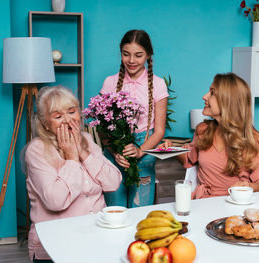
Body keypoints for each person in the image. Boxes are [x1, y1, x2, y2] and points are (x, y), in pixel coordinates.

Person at [24, 86, 122, 262]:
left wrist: (83, 152)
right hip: (56, 246)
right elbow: (55, 201)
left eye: (71, 112)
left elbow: (113, 182)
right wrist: (71, 157)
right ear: (45, 123)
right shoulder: (36, 150)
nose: (68, 121)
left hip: (96, 240)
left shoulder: (87, 140)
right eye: (58, 116)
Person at [161, 73, 259, 199]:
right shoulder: (203, 130)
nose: (204, 97)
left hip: (234, 203)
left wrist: (248, 187)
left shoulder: (252, 139)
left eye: (212, 93)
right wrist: (171, 149)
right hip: (203, 202)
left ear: (228, 101)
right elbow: (189, 159)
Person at [100, 29, 168, 207]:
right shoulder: (110, 82)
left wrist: (140, 151)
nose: (131, 60)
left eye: (138, 55)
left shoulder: (158, 84)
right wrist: (115, 153)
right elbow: (102, 127)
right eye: (126, 54)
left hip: (145, 149)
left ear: (148, 55)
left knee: (140, 210)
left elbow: (159, 131)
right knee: (115, 211)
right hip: (115, 151)